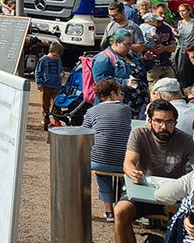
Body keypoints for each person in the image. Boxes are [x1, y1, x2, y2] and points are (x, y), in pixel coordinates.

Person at [115, 99, 194, 243]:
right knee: (120, 211)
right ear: (150, 121)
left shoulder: (186, 140)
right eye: (158, 121)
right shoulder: (139, 133)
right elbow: (128, 162)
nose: (164, 127)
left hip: (174, 197)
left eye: (169, 122)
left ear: (175, 123)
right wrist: (133, 172)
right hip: (144, 193)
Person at [82, 79, 132, 223]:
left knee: (102, 172)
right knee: (126, 174)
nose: (122, 97)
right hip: (123, 162)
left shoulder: (92, 111)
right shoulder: (126, 109)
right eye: (120, 93)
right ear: (113, 94)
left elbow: (84, 132)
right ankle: (124, 205)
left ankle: (109, 210)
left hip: (100, 161)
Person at [93, 29, 150, 118]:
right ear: (116, 43)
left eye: (131, 44)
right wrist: (125, 83)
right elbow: (100, 81)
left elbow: (140, 73)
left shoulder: (131, 55)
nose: (130, 48)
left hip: (138, 106)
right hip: (120, 106)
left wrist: (147, 61)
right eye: (127, 45)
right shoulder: (103, 58)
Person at [35, 42, 65, 127]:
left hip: (56, 85)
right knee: (45, 103)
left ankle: (57, 119)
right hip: (45, 85)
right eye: (55, 56)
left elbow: (61, 69)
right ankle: (45, 118)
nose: (56, 58)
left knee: (56, 104)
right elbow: (38, 72)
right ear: (50, 51)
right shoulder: (43, 60)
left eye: (58, 57)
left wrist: (62, 73)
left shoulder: (58, 60)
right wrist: (39, 83)